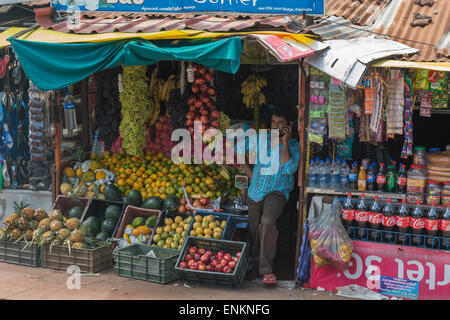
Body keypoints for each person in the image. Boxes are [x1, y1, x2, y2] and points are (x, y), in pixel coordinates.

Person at [241, 104, 299, 285]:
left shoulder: (294, 145)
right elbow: (241, 151)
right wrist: (248, 171)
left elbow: (288, 168)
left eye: (280, 123)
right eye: (273, 122)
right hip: (255, 191)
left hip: (276, 193)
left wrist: (284, 142)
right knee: (253, 230)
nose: (276, 127)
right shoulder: (262, 139)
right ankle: (252, 268)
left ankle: (266, 270)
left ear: (289, 125)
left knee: (267, 223)